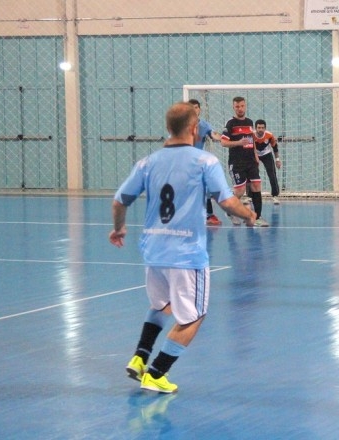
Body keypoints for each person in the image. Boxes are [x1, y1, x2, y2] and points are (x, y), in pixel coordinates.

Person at [109, 102, 256, 393]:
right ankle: (156, 372)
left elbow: (119, 201)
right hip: (187, 255)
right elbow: (227, 202)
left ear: (168, 128)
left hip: (153, 252)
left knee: (162, 305)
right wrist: (249, 214)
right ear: (194, 129)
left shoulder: (147, 162)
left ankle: (139, 357)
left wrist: (118, 228)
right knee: (194, 316)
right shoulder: (204, 162)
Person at [220, 97, 269, 227]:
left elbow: (251, 140)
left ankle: (257, 217)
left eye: (242, 106)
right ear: (233, 107)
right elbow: (223, 142)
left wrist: (255, 155)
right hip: (237, 163)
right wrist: (238, 143)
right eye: (237, 106)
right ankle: (230, 211)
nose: (240, 109)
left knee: (256, 186)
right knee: (240, 191)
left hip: (251, 161)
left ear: (245, 106)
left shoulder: (249, 122)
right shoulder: (230, 123)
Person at [188, 98, 223, 226]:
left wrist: (223, 137)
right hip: (184, 162)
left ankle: (209, 215)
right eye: (191, 108)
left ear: (199, 110)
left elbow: (213, 135)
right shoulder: (181, 125)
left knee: (206, 187)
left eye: (196, 107)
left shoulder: (204, 125)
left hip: (199, 162)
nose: (194, 110)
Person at [253, 119, 282, 205]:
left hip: (267, 154)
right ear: (256, 128)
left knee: (272, 174)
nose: (260, 129)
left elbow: (275, 148)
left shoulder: (269, 135)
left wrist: (277, 160)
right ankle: (250, 196)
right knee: (252, 176)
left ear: (265, 128)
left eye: (262, 127)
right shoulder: (251, 136)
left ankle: (275, 196)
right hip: (255, 155)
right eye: (259, 127)